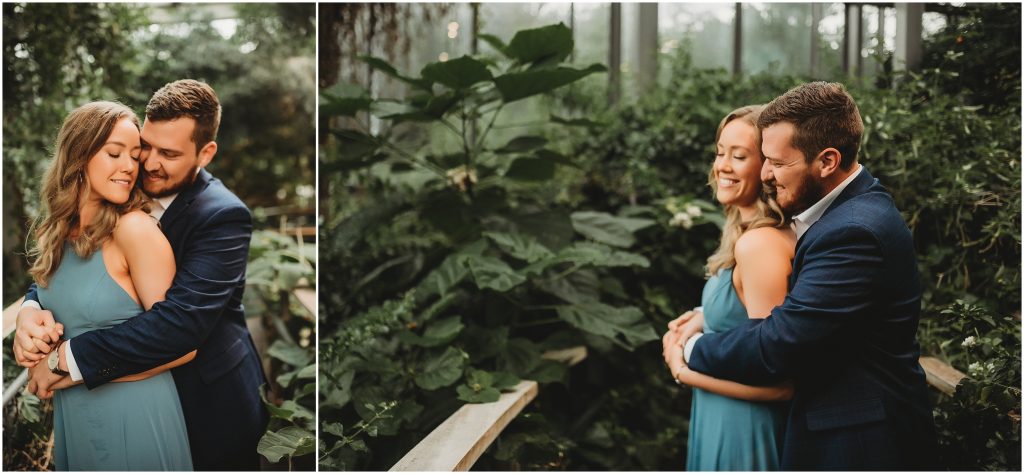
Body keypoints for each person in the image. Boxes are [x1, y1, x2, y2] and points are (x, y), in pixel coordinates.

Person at [670, 82, 937, 470]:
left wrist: (691, 350)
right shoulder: (844, 212)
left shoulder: (853, 231)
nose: (765, 174)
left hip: (858, 446)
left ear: (827, 161)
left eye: (777, 163)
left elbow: (780, 343)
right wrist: (705, 315)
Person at [16, 79, 270, 471]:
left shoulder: (223, 216)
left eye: (168, 154)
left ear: (205, 153)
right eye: (144, 147)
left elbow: (179, 325)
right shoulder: (116, 188)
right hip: (106, 396)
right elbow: (79, 271)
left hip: (209, 401)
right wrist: (29, 309)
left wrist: (61, 361)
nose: (146, 163)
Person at [22, 101, 194, 470]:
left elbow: (181, 344)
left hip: (135, 417)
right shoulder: (53, 233)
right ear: (78, 157)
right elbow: (51, 294)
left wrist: (63, 368)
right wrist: (28, 313)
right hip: (76, 420)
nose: (130, 166)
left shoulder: (135, 230)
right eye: (115, 153)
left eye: (134, 155)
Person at [661, 105, 796, 470]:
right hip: (721, 419)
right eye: (720, 152)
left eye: (739, 156)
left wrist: (684, 371)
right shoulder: (743, 231)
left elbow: (781, 384)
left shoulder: (761, 245)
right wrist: (703, 316)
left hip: (746, 434)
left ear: (767, 168)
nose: (722, 166)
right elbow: (744, 318)